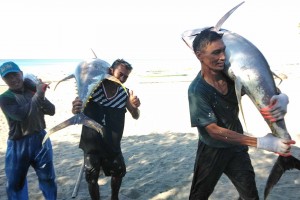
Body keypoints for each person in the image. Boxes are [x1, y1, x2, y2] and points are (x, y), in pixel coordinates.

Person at [187, 29, 295, 199]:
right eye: (216, 52)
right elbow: (213, 131)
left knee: (250, 196)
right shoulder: (197, 90)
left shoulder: (232, 77)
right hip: (211, 151)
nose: (223, 56)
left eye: (223, 50)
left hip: (236, 149)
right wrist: (261, 142)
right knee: (198, 196)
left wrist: (282, 99)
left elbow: (263, 89)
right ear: (199, 55)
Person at [71, 58, 141, 200]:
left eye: (126, 76)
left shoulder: (125, 93)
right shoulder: (92, 88)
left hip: (112, 142)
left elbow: (136, 116)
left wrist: (135, 107)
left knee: (119, 171)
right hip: (91, 142)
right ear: (110, 71)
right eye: (120, 74)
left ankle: (114, 197)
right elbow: (78, 109)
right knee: (92, 175)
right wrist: (75, 108)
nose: (123, 79)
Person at [0, 61, 57, 200]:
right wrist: (37, 94)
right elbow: (21, 115)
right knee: (16, 184)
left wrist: (40, 94)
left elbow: (51, 110)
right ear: (3, 80)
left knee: (48, 178)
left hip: (41, 139)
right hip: (18, 144)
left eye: (15, 75)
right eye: (8, 77)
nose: (13, 79)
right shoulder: (5, 98)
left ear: (21, 73)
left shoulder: (32, 90)